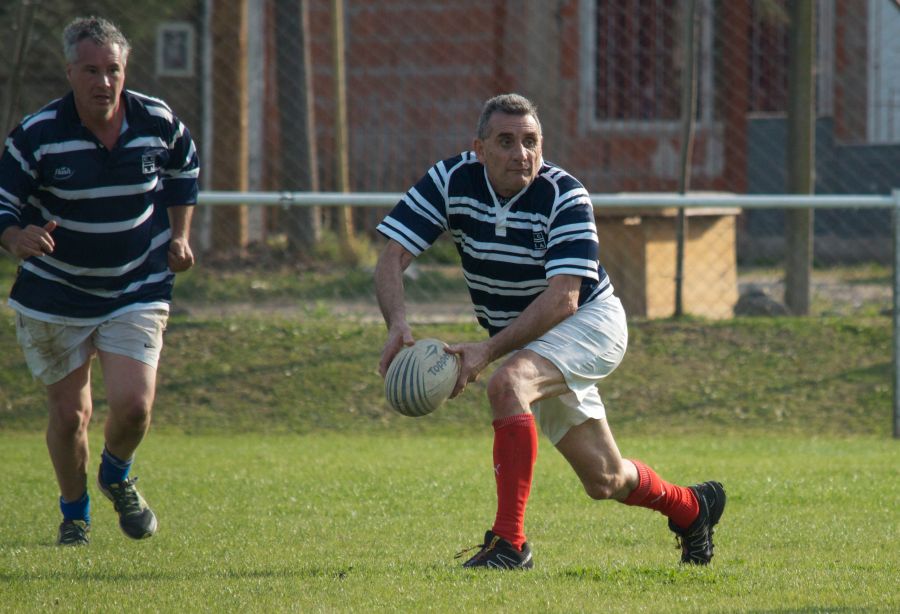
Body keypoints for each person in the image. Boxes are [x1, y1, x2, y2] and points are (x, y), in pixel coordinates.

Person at [374, 93, 725, 569]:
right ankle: (692, 509)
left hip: (591, 322)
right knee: (605, 479)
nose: (521, 153)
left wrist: (487, 351)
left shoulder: (564, 194)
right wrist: (397, 325)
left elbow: (564, 298)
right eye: (506, 141)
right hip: (534, 339)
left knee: (508, 384)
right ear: (479, 148)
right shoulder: (451, 179)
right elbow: (393, 254)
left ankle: (509, 544)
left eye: (531, 141)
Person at [0, 16, 199, 546]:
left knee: (135, 407)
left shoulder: (157, 121)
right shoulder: (36, 135)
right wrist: (15, 237)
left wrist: (180, 237)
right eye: (91, 70)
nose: (103, 82)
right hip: (55, 291)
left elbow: (184, 171)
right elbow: (4, 203)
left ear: (125, 70)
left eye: (113, 70)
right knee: (71, 417)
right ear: (70, 72)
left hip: (136, 286)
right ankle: (75, 516)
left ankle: (115, 474)